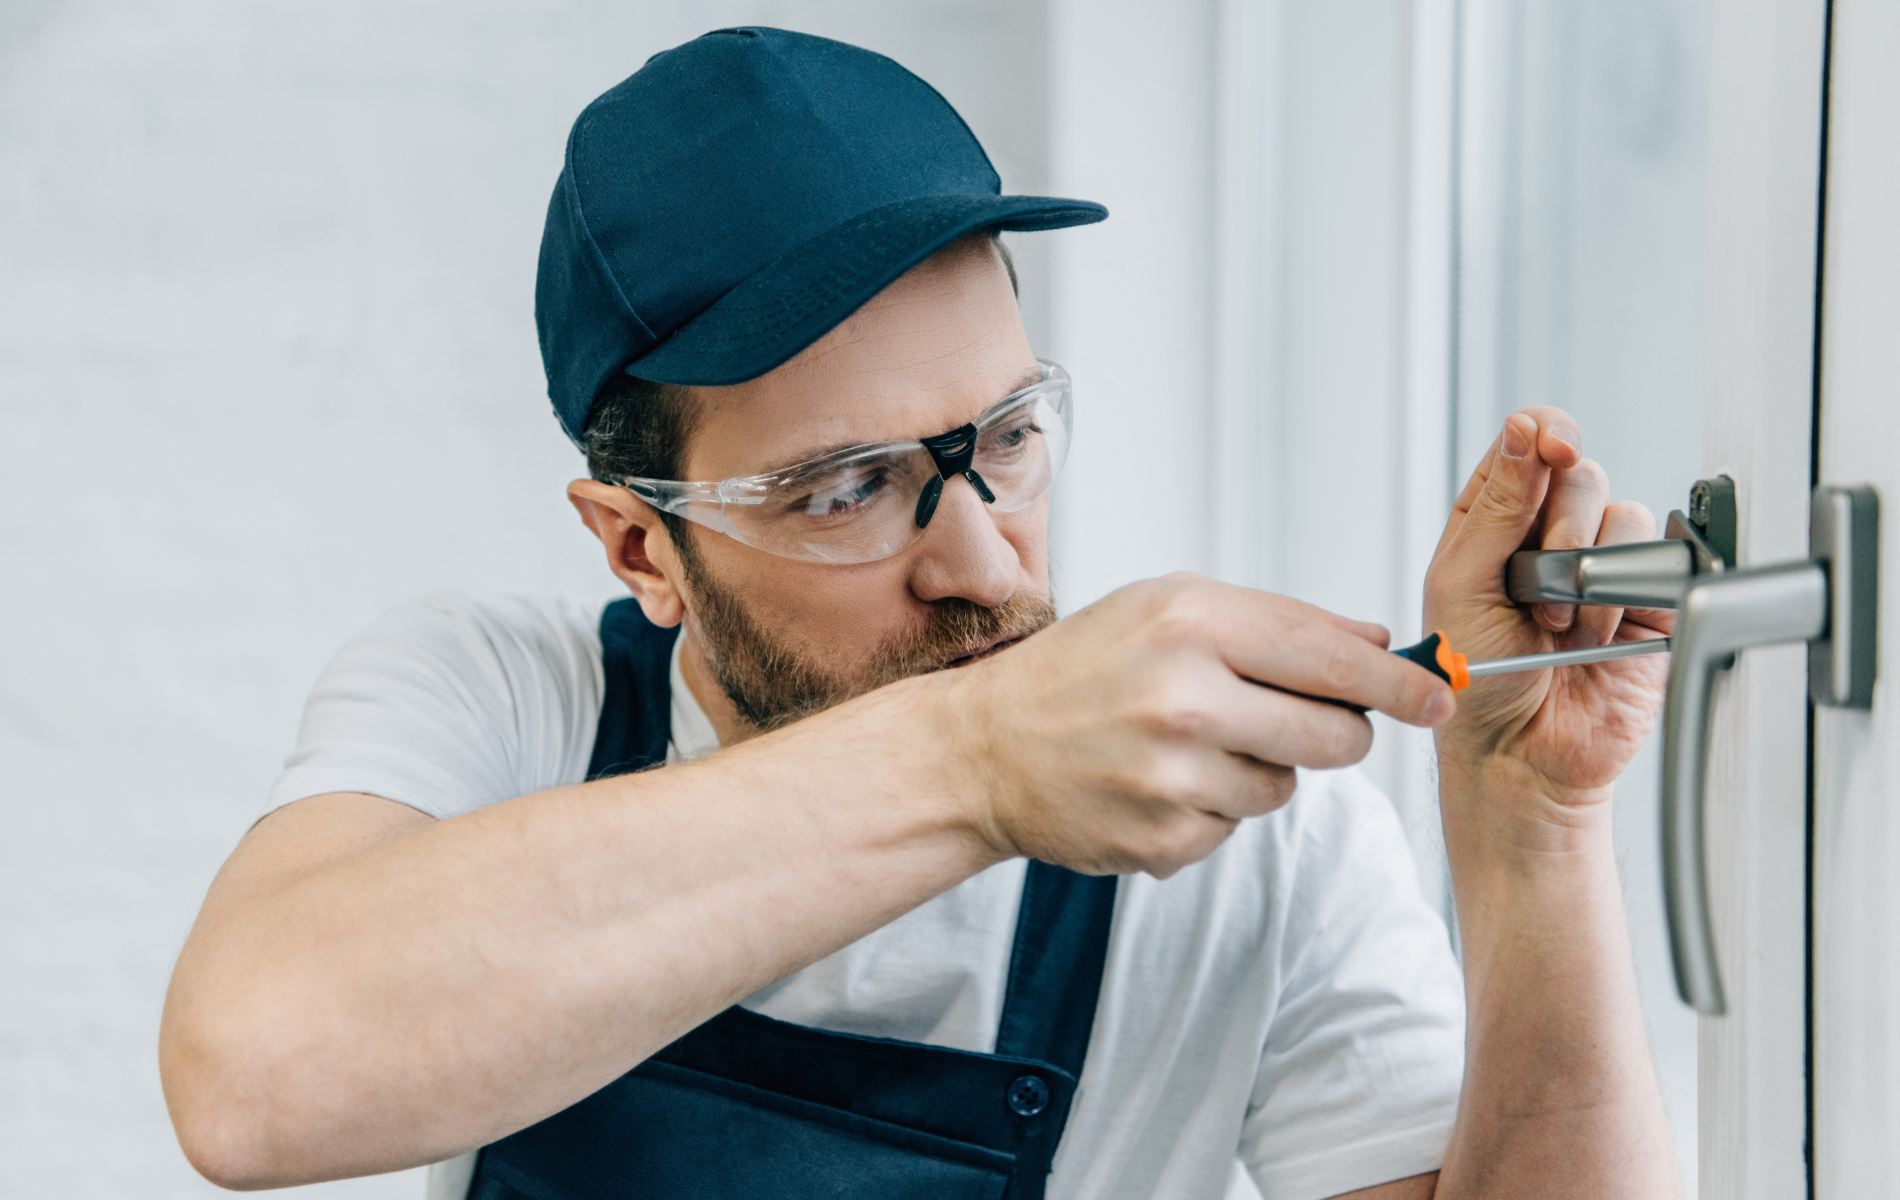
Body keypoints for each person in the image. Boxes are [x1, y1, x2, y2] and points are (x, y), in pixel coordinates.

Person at [159, 26, 1680, 1200]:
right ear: (640, 548)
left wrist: (1529, 830)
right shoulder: (503, 703)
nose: (989, 569)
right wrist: (985, 759)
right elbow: (253, 1077)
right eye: (846, 491)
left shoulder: (1249, 853)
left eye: (1005, 440)